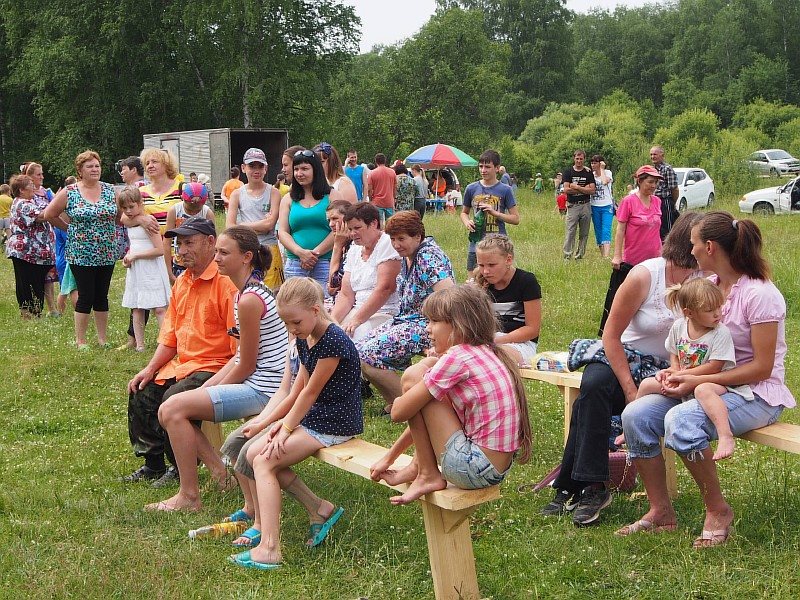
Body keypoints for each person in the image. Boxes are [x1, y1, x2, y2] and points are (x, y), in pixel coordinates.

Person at [619, 212, 794, 546]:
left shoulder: (760, 295)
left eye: (694, 242)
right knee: (635, 415)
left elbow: (763, 367)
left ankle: (717, 509)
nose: (691, 248)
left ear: (710, 247)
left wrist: (695, 382)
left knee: (681, 420)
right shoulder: (709, 288)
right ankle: (660, 511)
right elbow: (691, 343)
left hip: (756, 394)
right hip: (708, 386)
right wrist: (678, 372)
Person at [540, 211, 703, 526]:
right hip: (625, 356)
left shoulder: (706, 280)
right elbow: (610, 337)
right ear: (688, 244)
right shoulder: (646, 275)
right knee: (595, 385)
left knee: (590, 402)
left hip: (667, 367)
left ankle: (573, 486)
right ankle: (595, 485)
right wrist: (631, 391)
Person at [149, 227, 289, 511]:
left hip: (267, 390)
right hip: (258, 383)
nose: (217, 257)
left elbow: (247, 365)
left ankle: (190, 496)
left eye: (224, 253)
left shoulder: (250, 299)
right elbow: (238, 357)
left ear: (247, 257)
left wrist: (207, 389)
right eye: (217, 251)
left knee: (173, 409)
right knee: (173, 406)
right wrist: (207, 388)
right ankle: (216, 476)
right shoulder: (244, 293)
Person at [228, 277, 362, 570]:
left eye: (296, 322)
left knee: (263, 461)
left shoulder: (333, 340)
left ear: (316, 310)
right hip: (315, 417)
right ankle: (319, 508)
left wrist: (287, 428)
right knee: (252, 453)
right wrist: (276, 423)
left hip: (335, 423)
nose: (292, 329)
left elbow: (311, 391)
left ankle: (270, 547)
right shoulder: (305, 337)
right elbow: (297, 389)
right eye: (286, 323)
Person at [369, 285, 532, 504]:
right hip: (493, 468)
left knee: (413, 376)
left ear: (458, 325)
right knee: (422, 383)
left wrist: (406, 392)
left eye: (434, 321)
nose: (428, 329)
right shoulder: (488, 350)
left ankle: (427, 474)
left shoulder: (457, 358)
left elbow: (398, 413)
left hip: (472, 468)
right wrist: (389, 458)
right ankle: (419, 467)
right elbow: (430, 420)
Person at [124, 217, 237, 487]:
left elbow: (239, 353)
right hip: (184, 364)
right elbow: (170, 337)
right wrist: (149, 368)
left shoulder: (226, 284)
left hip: (215, 366)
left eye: (189, 243)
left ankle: (179, 468)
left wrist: (221, 379)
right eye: (179, 243)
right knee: (141, 390)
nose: (181, 250)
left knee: (173, 399)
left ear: (211, 242)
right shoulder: (182, 282)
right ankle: (152, 465)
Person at [635, 277, 752, 461]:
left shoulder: (720, 332)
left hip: (716, 382)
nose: (717, 314)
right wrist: (673, 371)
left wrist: (681, 375)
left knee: (702, 390)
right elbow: (673, 352)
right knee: (648, 384)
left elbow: (715, 367)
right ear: (689, 313)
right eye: (710, 310)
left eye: (719, 307)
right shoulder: (679, 326)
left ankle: (725, 435)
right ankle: (629, 431)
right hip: (685, 378)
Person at [357, 211, 455, 415]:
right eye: (392, 239)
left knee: (367, 354)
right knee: (358, 349)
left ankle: (410, 404)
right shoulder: (408, 256)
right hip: (406, 321)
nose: (396, 244)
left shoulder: (428, 257)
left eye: (401, 239)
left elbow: (449, 297)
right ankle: (398, 401)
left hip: (428, 325)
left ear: (417, 236)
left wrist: (443, 338)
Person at [43, 151, 118, 349]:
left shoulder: (111, 190)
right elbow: (49, 214)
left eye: (97, 166)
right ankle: (81, 340)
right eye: (89, 166)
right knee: (86, 295)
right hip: (80, 253)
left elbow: (122, 216)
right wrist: (68, 228)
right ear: (80, 171)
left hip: (107, 252)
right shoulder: (70, 191)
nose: (95, 169)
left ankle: (103, 339)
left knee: (102, 295)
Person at [599, 165, 664, 335]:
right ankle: (612, 331)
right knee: (622, 297)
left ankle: (640, 330)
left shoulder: (657, 202)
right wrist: (617, 255)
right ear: (640, 181)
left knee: (648, 297)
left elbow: (658, 230)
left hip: (653, 258)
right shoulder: (629, 201)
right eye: (650, 182)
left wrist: (662, 253)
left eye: (655, 182)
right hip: (631, 260)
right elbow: (620, 230)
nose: (653, 186)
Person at [331, 202, 401, 341]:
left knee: (354, 335)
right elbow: (346, 294)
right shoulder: (355, 249)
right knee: (329, 335)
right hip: (357, 309)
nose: (352, 233)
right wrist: (330, 322)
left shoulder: (387, 243)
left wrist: (357, 320)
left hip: (384, 311)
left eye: (357, 228)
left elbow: (385, 289)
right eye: (350, 229)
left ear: (374, 224)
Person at [277, 149, 344, 290]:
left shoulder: (332, 196)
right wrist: (300, 252)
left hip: (326, 261)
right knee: (296, 304)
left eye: (305, 169)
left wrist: (314, 254)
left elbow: (340, 229)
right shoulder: (288, 199)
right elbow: (282, 232)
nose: (299, 173)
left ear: (316, 170)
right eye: (296, 169)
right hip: (296, 262)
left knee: (324, 304)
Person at [473, 234, 541, 367]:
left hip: (520, 344)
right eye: (481, 265)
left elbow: (532, 329)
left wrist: (499, 340)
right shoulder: (480, 284)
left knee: (490, 356)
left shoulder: (526, 282)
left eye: (492, 265)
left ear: (508, 260)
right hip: (487, 341)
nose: (486, 271)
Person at [118, 187, 171, 352]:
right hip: (137, 268)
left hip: (151, 266)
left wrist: (136, 256)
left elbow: (159, 250)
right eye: (125, 208)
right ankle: (139, 344)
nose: (128, 211)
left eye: (131, 207)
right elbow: (134, 245)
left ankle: (165, 342)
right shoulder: (130, 222)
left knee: (160, 308)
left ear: (141, 204)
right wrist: (128, 258)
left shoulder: (149, 222)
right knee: (137, 306)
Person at [226, 147, 284, 290]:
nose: (256, 170)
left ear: (266, 168)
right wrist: (260, 224)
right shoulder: (237, 194)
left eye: (260, 166)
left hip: (269, 249)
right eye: (252, 166)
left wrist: (241, 225)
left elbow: (269, 225)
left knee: (272, 294)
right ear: (243, 168)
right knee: (246, 290)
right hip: (246, 250)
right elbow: (229, 227)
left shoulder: (274, 193)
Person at [460, 149, 519, 271]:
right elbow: (464, 212)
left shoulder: (505, 190)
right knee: (473, 282)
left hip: (498, 243)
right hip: (476, 243)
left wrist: (495, 213)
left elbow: (515, 219)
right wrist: (467, 222)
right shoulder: (471, 188)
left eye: (487, 167)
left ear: (497, 168)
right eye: (480, 166)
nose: (483, 170)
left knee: (498, 280)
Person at [5, 174, 55, 318]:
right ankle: (29, 313)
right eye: (30, 185)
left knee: (34, 282)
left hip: (34, 253)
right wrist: (57, 204)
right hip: (25, 252)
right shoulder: (23, 204)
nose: (34, 187)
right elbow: (41, 216)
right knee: (27, 283)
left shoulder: (30, 201)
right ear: (21, 190)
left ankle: (34, 312)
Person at [164, 182, 214, 284]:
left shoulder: (207, 213)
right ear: (182, 198)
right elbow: (166, 242)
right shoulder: (175, 210)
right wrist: (169, 273)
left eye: (197, 210)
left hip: (201, 264)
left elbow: (213, 242)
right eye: (189, 209)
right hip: (180, 263)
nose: (192, 213)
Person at [562, 149, 596, 260]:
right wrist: (584, 189)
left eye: (581, 159)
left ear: (584, 159)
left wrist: (576, 187)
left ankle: (579, 256)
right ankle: (567, 255)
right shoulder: (568, 172)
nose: (579, 161)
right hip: (573, 205)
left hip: (586, 205)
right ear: (574, 158)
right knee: (570, 231)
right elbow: (566, 189)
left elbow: (592, 190)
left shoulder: (588, 172)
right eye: (577, 158)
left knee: (584, 232)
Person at [138, 148, 182, 231]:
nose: (150, 166)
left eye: (154, 162)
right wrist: (140, 220)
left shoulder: (181, 188)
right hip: (150, 243)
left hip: (177, 243)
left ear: (166, 164)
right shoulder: (140, 192)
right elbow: (124, 218)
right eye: (147, 163)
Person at [650, 145, 680, 240]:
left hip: (665, 201)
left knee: (667, 229)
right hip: (653, 202)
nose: (652, 157)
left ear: (662, 155)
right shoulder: (651, 169)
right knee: (655, 227)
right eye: (651, 154)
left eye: (655, 154)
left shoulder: (667, 169)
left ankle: (668, 250)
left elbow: (674, 189)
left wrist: (672, 203)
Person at [325, 199, 353, 299]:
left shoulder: (355, 245)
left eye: (335, 218)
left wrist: (337, 246)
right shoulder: (345, 244)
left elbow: (333, 285)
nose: (331, 224)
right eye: (329, 220)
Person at [590, 155, 614, 258]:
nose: (593, 165)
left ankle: (606, 255)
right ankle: (602, 253)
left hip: (606, 205)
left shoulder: (607, 173)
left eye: (595, 163)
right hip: (594, 205)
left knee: (606, 229)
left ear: (601, 163)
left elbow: (604, 182)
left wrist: (602, 169)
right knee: (598, 230)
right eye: (592, 163)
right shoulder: (591, 175)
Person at [367, 153, 396, 225]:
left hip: (377, 201)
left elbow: (369, 189)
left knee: (378, 224)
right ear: (385, 161)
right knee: (390, 224)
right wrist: (394, 198)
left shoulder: (372, 173)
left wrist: (371, 199)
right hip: (389, 201)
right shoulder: (392, 172)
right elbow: (395, 187)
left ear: (376, 161)